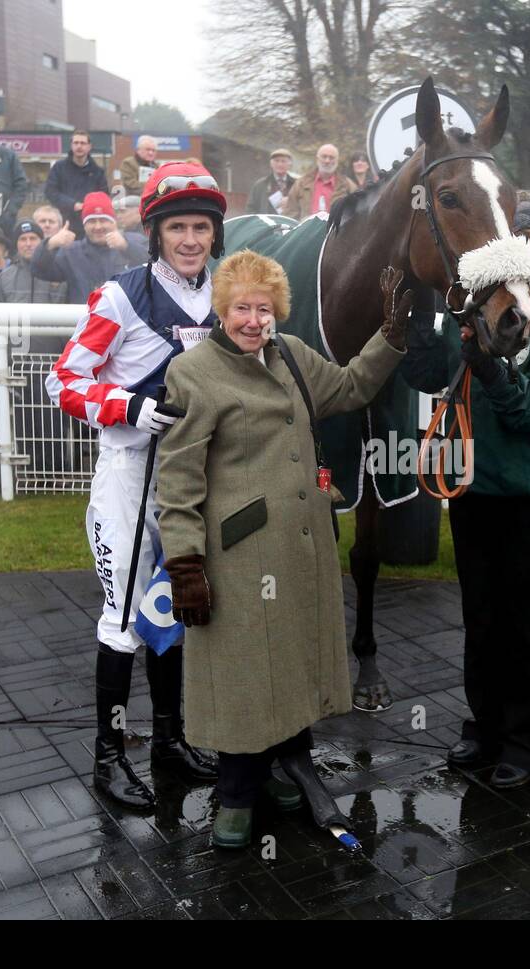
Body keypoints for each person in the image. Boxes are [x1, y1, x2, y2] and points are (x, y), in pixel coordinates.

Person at [155, 250, 409, 846]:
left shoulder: (292, 355)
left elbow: (348, 388)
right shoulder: (192, 373)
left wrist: (390, 335)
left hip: (301, 548)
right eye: (241, 307)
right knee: (246, 675)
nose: (252, 319)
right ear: (221, 309)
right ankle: (237, 797)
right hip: (239, 557)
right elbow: (179, 479)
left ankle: (286, 770)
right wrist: (185, 563)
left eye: (263, 308)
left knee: (290, 663)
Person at [45, 161, 231, 812]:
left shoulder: (225, 298)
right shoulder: (119, 295)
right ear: (154, 232)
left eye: (200, 226)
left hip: (189, 480)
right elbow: (62, 381)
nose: (189, 238)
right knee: (124, 617)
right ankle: (109, 755)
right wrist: (126, 405)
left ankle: (171, 742)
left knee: (174, 611)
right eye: (176, 225)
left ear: (214, 232)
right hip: (130, 473)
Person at [403, 198, 530, 789]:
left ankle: (526, 741)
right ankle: (483, 726)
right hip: (473, 487)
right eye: (518, 239)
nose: (529, 249)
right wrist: (421, 317)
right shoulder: (479, 308)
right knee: (479, 614)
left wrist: (492, 369)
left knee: (521, 618)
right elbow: (426, 377)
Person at [29, 191, 149, 303]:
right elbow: (38, 270)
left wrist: (126, 247)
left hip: (124, 322)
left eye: (103, 220)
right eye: (92, 221)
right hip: (86, 321)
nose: (98, 227)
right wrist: (50, 244)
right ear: (84, 225)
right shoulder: (71, 252)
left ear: (113, 222)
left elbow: (156, 266)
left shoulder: (134, 241)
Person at [44, 130, 109, 240]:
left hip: (89, 225)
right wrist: (73, 205)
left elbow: (104, 196)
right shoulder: (59, 168)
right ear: (71, 145)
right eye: (76, 143)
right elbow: (50, 192)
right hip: (64, 224)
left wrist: (88, 206)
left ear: (89, 146)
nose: (79, 146)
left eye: (83, 143)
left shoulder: (98, 172)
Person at [0, 220, 67, 304]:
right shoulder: (4, 278)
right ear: (16, 244)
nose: (28, 244)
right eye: (23, 239)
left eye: (33, 238)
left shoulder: (58, 273)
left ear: (41, 242)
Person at [284, 144, 355, 220]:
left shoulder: (348, 185)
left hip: (337, 231)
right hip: (308, 230)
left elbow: (357, 214)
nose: (327, 161)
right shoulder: (301, 184)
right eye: (324, 157)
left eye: (331, 158)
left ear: (337, 160)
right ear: (317, 159)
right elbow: (290, 214)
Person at [246, 147, 297, 215]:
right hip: (267, 224)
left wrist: (291, 202)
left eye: (283, 161)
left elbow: (304, 207)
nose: (280, 164)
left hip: (289, 224)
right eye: (276, 161)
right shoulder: (260, 185)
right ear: (271, 163)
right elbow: (250, 209)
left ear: (289, 164)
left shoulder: (297, 185)